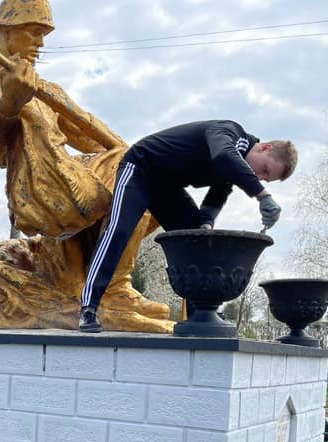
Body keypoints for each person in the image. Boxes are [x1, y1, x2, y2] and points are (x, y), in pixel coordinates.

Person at [0, 0, 170, 325]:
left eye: (44, 34)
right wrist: (9, 103)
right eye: (33, 32)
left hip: (70, 176)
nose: (41, 42)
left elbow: (86, 132)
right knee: (135, 174)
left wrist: (131, 152)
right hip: (41, 191)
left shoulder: (44, 87)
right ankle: (111, 293)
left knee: (143, 173)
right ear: (5, 30)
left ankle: (111, 286)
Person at [79, 120, 298, 332]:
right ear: (264, 148)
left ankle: (199, 317)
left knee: (198, 241)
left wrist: (206, 222)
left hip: (166, 188)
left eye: (264, 178)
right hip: (140, 169)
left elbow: (218, 194)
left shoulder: (234, 164)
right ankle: (88, 307)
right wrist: (262, 194)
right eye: (265, 170)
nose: (258, 176)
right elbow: (223, 156)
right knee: (119, 231)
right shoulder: (230, 132)